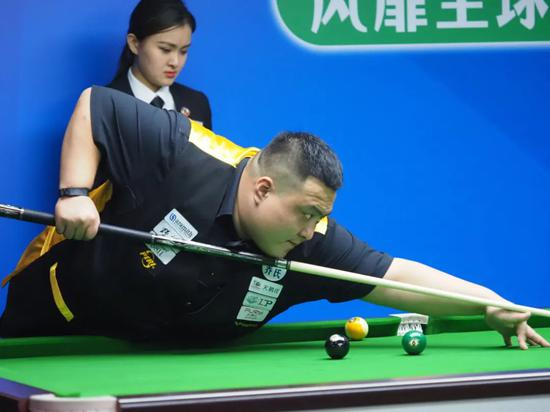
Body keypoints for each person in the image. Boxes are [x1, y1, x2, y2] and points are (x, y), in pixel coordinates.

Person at [0, 87, 548, 350]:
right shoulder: (184, 153)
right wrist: (73, 193)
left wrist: (487, 302)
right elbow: (96, 105)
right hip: (64, 320)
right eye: (306, 213)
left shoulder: (311, 242)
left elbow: (393, 277)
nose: (311, 230)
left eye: (320, 217)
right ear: (263, 189)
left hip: (175, 359)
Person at [108, 0, 212, 129]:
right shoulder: (103, 104)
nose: (175, 62)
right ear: (134, 43)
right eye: (165, 49)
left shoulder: (197, 103)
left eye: (183, 51)